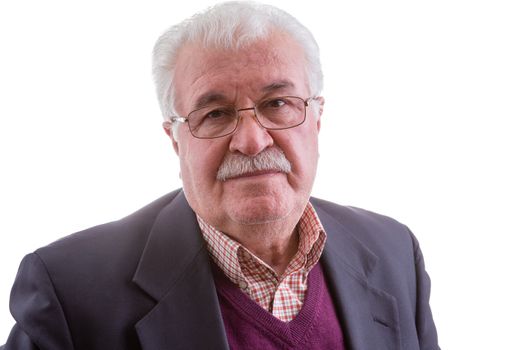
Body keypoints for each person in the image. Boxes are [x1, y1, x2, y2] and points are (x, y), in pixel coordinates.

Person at [1, 1, 439, 349]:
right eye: (215, 113)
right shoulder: (70, 291)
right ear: (176, 140)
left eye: (277, 104)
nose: (252, 141)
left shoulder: (394, 253)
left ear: (317, 120)